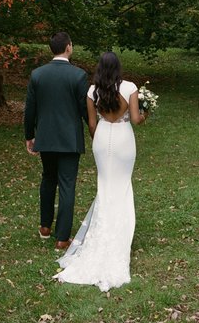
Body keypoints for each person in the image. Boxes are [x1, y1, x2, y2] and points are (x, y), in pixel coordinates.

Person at [56, 51, 145, 291]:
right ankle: (120, 237)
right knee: (122, 185)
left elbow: (92, 125)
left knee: (105, 186)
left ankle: (104, 232)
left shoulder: (92, 90)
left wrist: (101, 138)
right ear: (118, 67)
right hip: (124, 140)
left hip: (102, 137)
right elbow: (136, 119)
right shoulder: (130, 87)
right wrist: (144, 114)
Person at [24, 32, 90, 251]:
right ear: (69, 47)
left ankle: (45, 227)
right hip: (69, 140)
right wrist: (95, 131)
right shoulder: (78, 75)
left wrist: (29, 136)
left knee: (48, 179)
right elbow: (84, 110)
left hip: (46, 137)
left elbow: (29, 110)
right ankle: (62, 238)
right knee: (67, 185)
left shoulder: (38, 75)